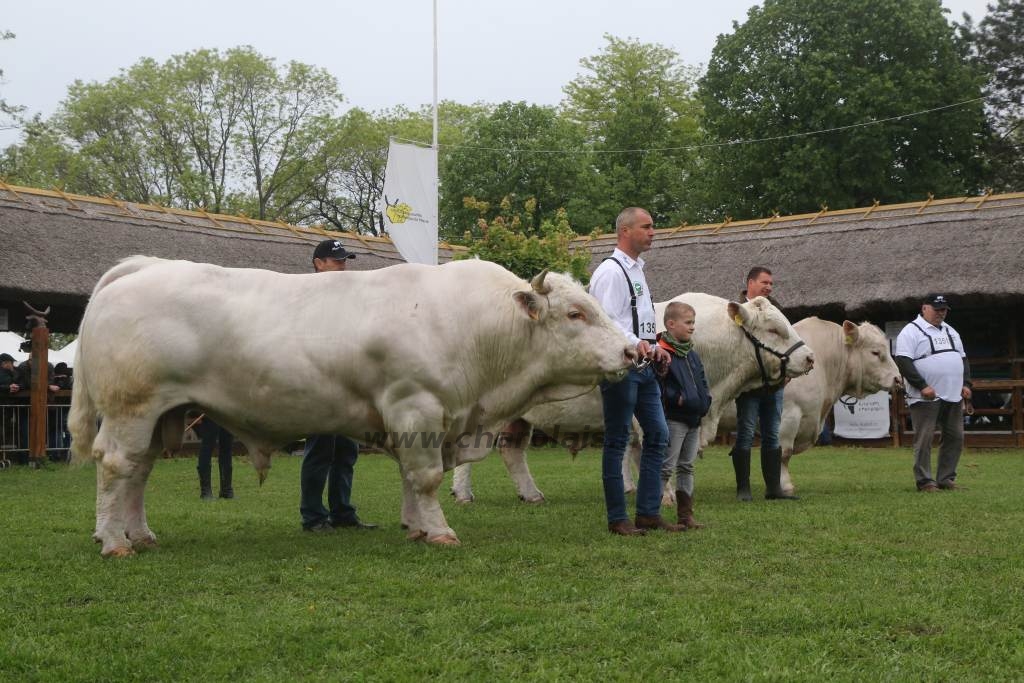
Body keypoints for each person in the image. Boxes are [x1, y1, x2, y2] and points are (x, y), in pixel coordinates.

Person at [589, 207, 682, 535]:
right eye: (647, 226)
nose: (653, 231)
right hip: (620, 368)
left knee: (658, 434)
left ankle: (647, 513)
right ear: (625, 231)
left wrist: (654, 346)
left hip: (643, 368)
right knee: (617, 440)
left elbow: (635, 321)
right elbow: (604, 321)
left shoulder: (637, 270)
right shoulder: (610, 272)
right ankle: (618, 518)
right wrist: (634, 343)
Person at [300, 239, 377, 532]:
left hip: (348, 383)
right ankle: (313, 516)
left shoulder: (349, 298)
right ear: (318, 263)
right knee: (320, 448)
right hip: (319, 380)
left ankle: (342, 512)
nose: (343, 265)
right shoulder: (304, 295)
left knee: (346, 450)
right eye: (337, 260)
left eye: (345, 260)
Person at [730, 267, 799, 501]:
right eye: (764, 282)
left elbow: (786, 341)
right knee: (746, 433)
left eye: (771, 283)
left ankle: (773, 489)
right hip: (750, 386)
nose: (769, 287)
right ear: (750, 283)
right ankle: (743, 490)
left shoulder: (775, 308)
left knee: (772, 435)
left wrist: (787, 369)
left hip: (775, 385)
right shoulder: (737, 311)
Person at [894, 294, 972, 492]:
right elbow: (903, 361)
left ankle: (946, 478)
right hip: (925, 396)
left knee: (955, 437)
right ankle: (925, 481)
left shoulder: (951, 331)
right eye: (937, 309)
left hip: (953, 394)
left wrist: (966, 383)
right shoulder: (910, 332)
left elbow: (962, 359)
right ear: (924, 308)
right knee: (925, 438)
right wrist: (922, 386)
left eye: (944, 309)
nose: (941, 313)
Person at [656, 302, 712, 529]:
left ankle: (685, 515)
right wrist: (677, 399)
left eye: (693, 323)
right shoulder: (661, 353)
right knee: (666, 467)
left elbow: (702, 380)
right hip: (675, 419)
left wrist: (704, 401)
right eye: (688, 323)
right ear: (671, 324)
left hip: (693, 419)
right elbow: (658, 386)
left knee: (687, 466)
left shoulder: (692, 354)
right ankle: (651, 512)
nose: (692, 327)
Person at [195, 415, 235, 500]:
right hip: (211, 409)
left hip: (228, 409)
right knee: (207, 445)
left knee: (227, 446)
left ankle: (226, 490)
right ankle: (206, 491)